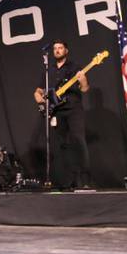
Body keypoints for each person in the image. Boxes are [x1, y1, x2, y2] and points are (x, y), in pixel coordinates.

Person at [33, 40, 92, 189]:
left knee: (79, 141)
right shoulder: (48, 70)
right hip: (57, 111)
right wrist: (39, 98)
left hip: (73, 110)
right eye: (55, 48)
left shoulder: (75, 67)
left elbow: (84, 89)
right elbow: (39, 90)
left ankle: (84, 181)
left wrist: (83, 80)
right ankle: (68, 181)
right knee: (62, 146)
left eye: (60, 48)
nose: (57, 50)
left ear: (66, 50)